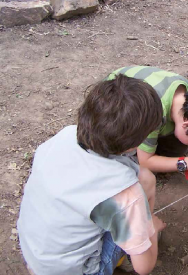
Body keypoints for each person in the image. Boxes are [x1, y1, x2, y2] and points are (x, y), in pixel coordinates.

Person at [18, 75, 167, 275]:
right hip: (77, 270)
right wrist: (151, 228)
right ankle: (133, 245)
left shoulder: (65, 135)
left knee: (145, 179)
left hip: (35, 252)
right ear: (133, 145)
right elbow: (145, 268)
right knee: (143, 237)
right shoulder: (125, 193)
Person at [108, 66, 188, 174]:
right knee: (136, 170)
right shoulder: (152, 113)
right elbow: (145, 162)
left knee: (174, 153)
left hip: (137, 95)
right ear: (187, 126)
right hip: (113, 110)